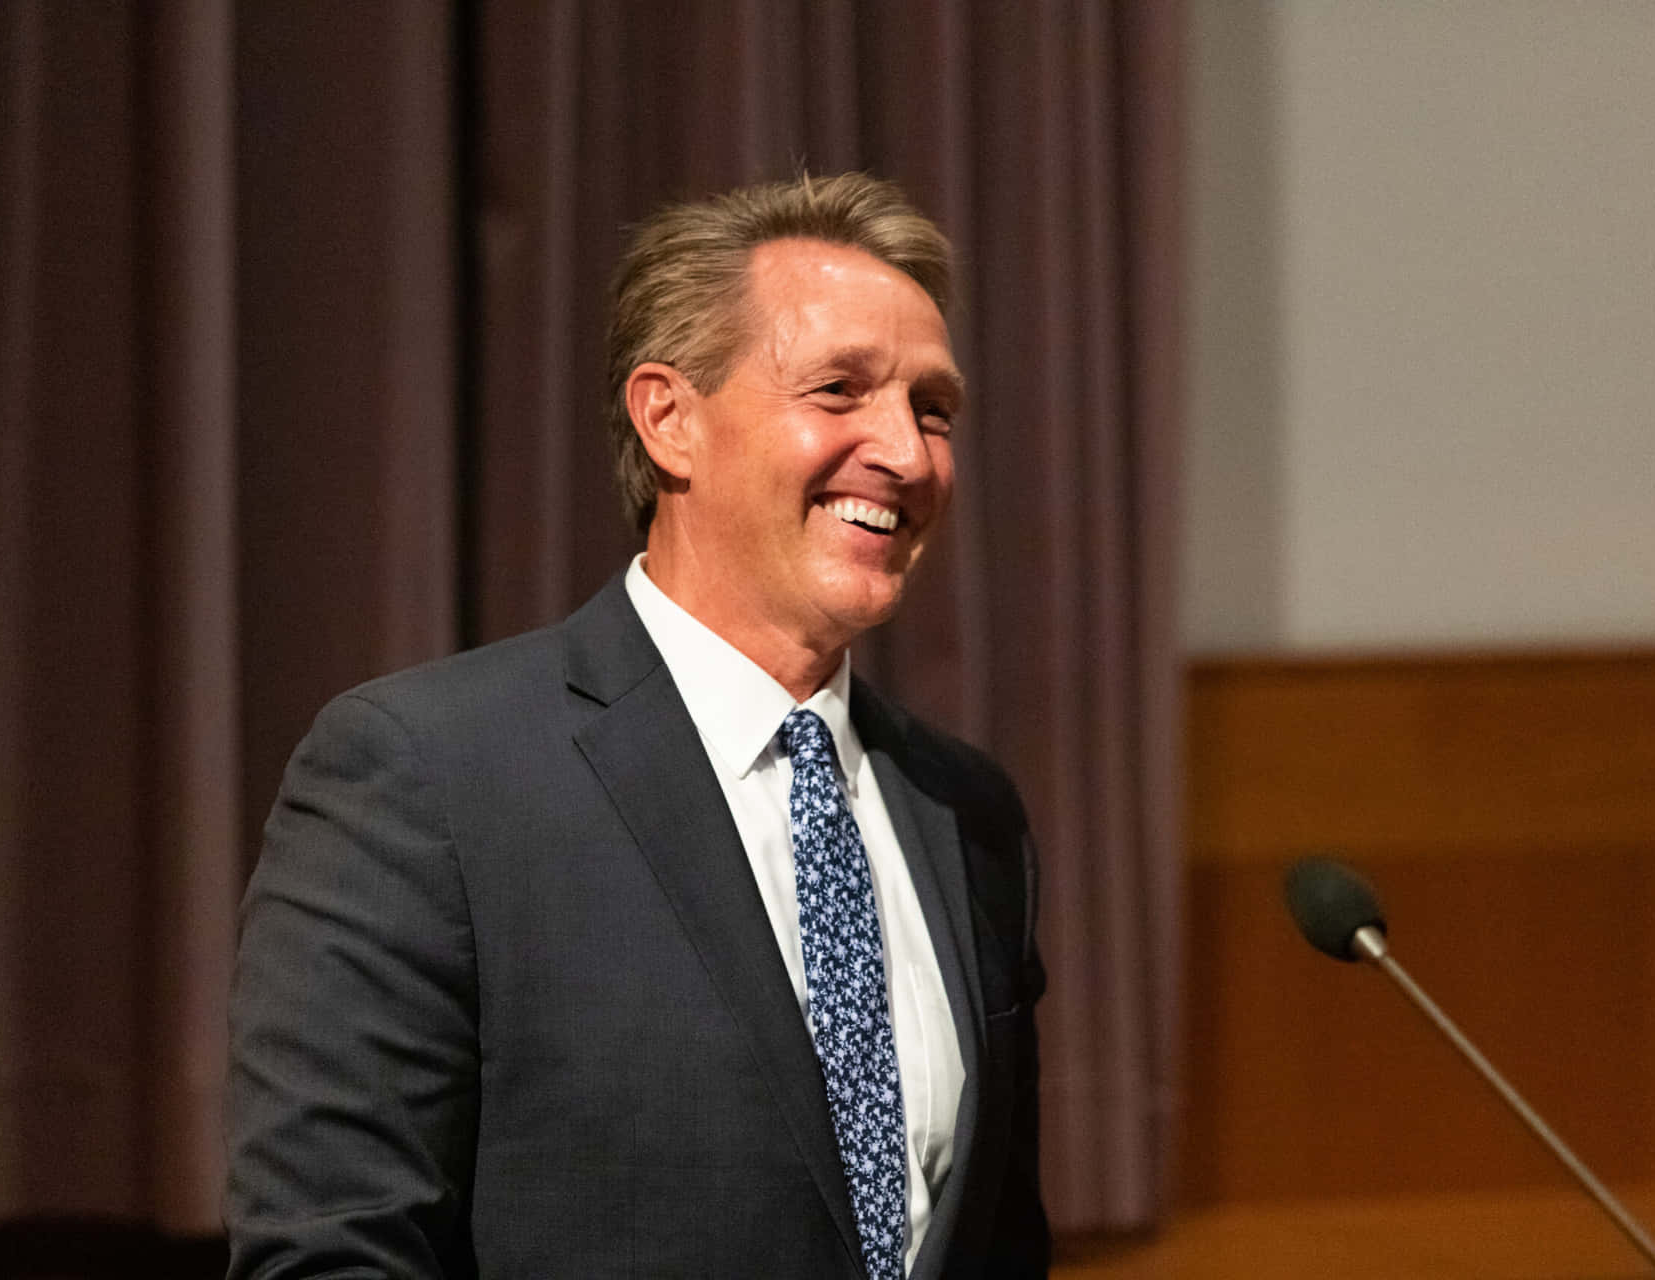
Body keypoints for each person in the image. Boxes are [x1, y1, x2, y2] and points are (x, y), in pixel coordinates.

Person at [225, 172, 1049, 1279]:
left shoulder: (967, 810)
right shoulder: (430, 778)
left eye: (933, 408)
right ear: (669, 418)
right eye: (841, 390)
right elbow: (334, 1256)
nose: (906, 452)